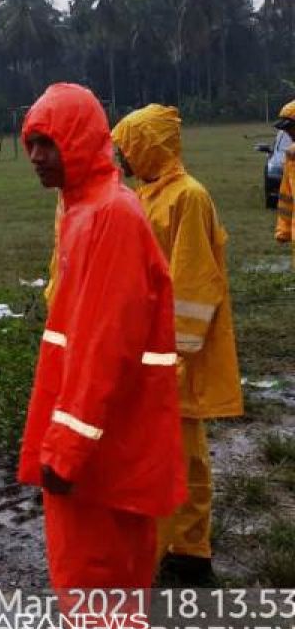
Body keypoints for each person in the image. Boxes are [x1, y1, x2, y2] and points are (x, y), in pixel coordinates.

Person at [18, 85, 186, 603]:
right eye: (32, 144)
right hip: (101, 450)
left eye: (49, 143)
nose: (37, 158)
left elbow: (103, 350)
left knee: (98, 599)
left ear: (81, 141)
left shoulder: (109, 217)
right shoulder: (83, 211)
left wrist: (67, 451)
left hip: (100, 460)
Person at [111, 104, 242, 586]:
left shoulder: (188, 197)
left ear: (149, 146)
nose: (123, 158)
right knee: (179, 456)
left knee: (174, 459)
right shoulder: (150, 195)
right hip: (157, 352)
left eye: (129, 146)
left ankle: (170, 556)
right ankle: (187, 550)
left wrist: (174, 358)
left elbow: (194, 283)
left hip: (174, 355)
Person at [275, 99, 295, 263]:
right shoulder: (291, 156)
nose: (288, 133)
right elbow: (286, 196)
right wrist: (284, 230)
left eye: (290, 127)